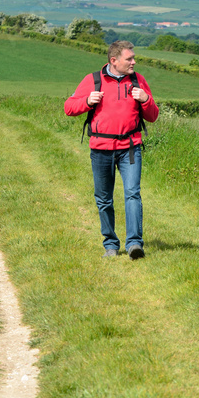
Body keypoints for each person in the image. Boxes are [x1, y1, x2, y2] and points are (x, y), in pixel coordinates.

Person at [64, 41, 160, 258]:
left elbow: (152, 116)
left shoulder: (138, 80)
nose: (134, 62)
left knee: (133, 194)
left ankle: (135, 244)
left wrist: (145, 100)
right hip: (101, 148)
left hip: (131, 148)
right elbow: (69, 108)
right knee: (104, 198)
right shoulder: (93, 80)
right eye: (130, 59)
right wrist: (88, 101)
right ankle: (111, 245)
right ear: (114, 60)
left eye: (134, 58)